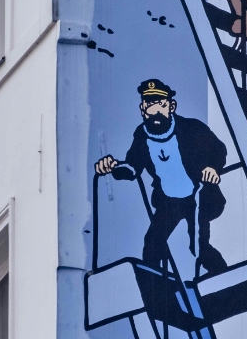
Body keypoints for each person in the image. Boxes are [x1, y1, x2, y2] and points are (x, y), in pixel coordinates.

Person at [95, 78, 228, 276]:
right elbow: (133, 168)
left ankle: (220, 276)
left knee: (197, 247)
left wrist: (212, 168)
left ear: (171, 106)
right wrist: (113, 167)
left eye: (160, 104)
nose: (154, 109)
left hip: (198, 196)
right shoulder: (141, 135)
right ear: (142, 108)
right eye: (149, 104)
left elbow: (219, 149)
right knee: (152, 244)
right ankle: (157, 290)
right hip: (169, 202)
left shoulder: (191, 128)